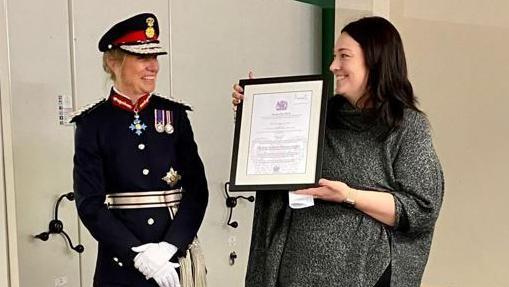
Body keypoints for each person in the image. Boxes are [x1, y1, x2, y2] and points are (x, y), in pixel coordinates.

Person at [232, 16, 444, 287]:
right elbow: (272, 164)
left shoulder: (406, 127)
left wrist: (348, 195)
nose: (333, 66)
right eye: (334, 56)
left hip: (364, 273)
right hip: (296, 270)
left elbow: (421, 209)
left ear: (376, 60)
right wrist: (255, 111)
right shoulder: (317, 114)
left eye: (344, 56)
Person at [71, 13, 208, 287]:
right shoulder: (93, 123)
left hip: (174, 258)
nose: (153, 67)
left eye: (155, 57)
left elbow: (196, 191)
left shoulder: (174, 115)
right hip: (120, 261)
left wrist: (169, 247)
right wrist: (137, 254)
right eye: (143, 58)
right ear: (113, 62)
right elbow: (90, 203)